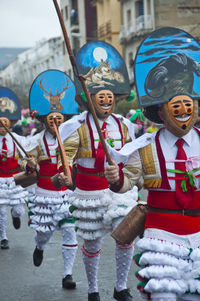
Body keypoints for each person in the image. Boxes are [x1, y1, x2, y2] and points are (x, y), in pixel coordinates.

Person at [104, 27, 200, 301]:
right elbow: (126, 183)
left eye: (188, 105)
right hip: (162, 236)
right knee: (164, 296)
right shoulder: (144, 147)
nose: (183, 111)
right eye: (175, 107)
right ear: (160, 111)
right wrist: (115, 177)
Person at [58, 41, 139, 301]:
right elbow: (66, 156)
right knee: (91, 244)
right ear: (90, 98)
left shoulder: (125, 126)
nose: (106, 100)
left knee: (125, 238)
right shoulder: (77, 127)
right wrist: (65, 172)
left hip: (117, 193)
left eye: (110, 96)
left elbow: (132, 157)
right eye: (100, 96)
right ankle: (93, 289)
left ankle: (120, 287)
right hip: (88, 193)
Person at [22, 69, 79, 289]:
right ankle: (40, 247)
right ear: (44, 120)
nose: (55, 121)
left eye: (59, 118)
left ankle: (67, 274)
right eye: (51, 118)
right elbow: (27, 165)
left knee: (69, 230)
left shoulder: (73, 137)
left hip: (66, 194)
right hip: (44, 193)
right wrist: (30, 164)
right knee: (43, 233)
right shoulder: (36, 141)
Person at [0, 86, 27, 249]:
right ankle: (3, 237)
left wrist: (28, 162)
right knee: (0, 212)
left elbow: (26, 158)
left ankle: (15, 215)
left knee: (19, 211)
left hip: (15, 179)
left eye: (5, 121)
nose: (2, 124)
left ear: (11, 122)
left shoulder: (19, 139)